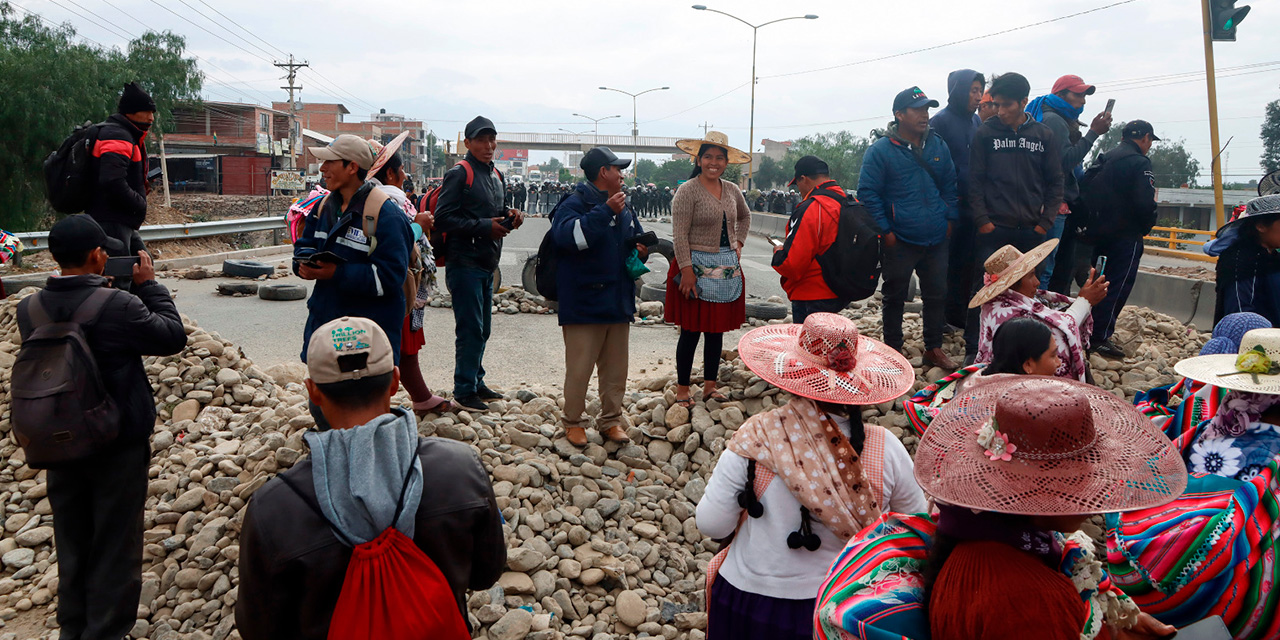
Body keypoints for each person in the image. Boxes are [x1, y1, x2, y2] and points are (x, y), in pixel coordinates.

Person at [817, 376, 1184, 640]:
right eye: (1081, 478)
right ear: (1042, 494)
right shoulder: (1026, 599)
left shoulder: (992, 539)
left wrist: (1122, 625)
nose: (1094, 494)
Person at [236, 317, 505, 639]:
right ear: (395, 381)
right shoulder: (461, 467)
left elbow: (260, 629)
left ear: (314, 392)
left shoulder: (274, 507)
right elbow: (484, 574)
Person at [698, 313, 927, 640]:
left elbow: (712, 524)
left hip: (746, 599)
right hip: (840, 611)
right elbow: (912, 531)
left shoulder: (758, 437)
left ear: (794, 370)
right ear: (858, 380)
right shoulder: (884, 448)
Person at [17, 215, 185, 640]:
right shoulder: (118, 305)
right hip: (116, 443)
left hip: (58, 442)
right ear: (97, 256)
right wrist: (149, 285)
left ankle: (73, 628)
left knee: (72, 540)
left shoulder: (29, 309)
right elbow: (171, 337)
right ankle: (106, 632)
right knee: (115, 543)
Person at [293, 134, 412, 406]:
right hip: (327, 322)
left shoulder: (386, 214)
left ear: (352, 167)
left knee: (364, 410)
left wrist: (336, 273)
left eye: (329, 162)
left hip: (369, 334)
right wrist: (304, 266)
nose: (322, 169)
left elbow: (391, 277)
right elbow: (304, 245)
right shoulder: (323, 207)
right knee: (324, 407)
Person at [964, 72, 1064, 365]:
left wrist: (1044, 223)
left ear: (1024, 102)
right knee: (984, 290)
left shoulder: (1043, 135)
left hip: (1032, 232)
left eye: (1007, 105)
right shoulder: (986, 133)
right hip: (994, 229)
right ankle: (976, 348)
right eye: (996, 104)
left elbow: (1055, 182)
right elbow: (975, 182)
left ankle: (1028, 351)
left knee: (1030, 290)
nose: (1000, 111)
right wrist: (983, 220)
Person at [859, 86, 960, 370]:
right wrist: (886, 231)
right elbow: (868, 194)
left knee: (936, 293)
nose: (924, 115)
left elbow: (951, 185)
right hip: (899, 238)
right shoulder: (880, 151)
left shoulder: (938, 145)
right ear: (899, 114)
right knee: (895, 294)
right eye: (917, 109)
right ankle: (892, 347)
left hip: (937, 235)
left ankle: (933, 348)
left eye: (927, 109)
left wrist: (949, 220)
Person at [551, 147, 646, 446]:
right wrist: (606, 211)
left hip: (617, 301)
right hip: (584, 303)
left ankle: (610, 420)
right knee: (579, 368)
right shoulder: (574, 203)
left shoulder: (622, 205)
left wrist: (640, 246)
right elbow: (570, 238)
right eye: (617, 169)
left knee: (616, 369)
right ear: (603, 172)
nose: (622, 174)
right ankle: (573, 421)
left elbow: (632, 235)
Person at [434, 116, 524, 411]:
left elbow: (495, 212)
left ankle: (476, 380)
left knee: (483, 327)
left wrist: (511, 217)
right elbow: (444, 218)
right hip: (464, 263)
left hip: (487, 263)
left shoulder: (496, 175)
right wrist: (485, 226)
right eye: (482, 140)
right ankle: (463, 390)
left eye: (492, 139)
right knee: (470, 328)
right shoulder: (460, 174)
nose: (488, 145)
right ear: (468, 143)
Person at [666, 132, 751, 407]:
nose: (713, 163)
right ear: (699, 160)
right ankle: (682, 389)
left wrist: (738, 241)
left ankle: (710, 387)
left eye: (719, 158)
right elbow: (679, 234)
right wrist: (687, 271)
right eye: (708, 157)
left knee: (716, 331)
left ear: (726, 162)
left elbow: (745, 215)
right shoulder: (687, 191)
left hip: (725, 268)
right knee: (691, 330)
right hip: (694, 268)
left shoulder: (732, 190)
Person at [368, 141, 451, 414]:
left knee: (401, 341)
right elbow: (398, 242)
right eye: (401, 170)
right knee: (400, 342)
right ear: (390, 174)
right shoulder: (388, 201)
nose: (405, 176)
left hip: (393, 280)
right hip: (398, 281)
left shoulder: (376, 198)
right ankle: (410, 400)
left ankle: (418, 396)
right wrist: (418, 225)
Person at [969, 241, 1109, 381]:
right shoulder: (1009, 313)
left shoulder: (996, 305)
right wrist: (1084, 302)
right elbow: (1055, 332)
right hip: (1020, 385)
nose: (1037, 282)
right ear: (1012, 284)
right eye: (1030, 276)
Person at [1026, 75, 1113, 287]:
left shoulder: (1051, 116)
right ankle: (1039, 314)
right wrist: (1093, 134)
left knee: (1043, 266)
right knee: (1044, 269)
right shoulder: (1054, 121)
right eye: (1078, 94)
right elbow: (1064, 162)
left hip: (1044, 202)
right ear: (1061, 95)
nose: (1082, 101)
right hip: (1052, 205)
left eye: (1084, 95)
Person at [1083, 120, 1160, 359]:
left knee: (1096, 283)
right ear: (1145, 138)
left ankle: (1086, 330)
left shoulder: (1105, 157)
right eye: (1149, 141)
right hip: (1125, 235)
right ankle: (1100, 337)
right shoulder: (1139, 162)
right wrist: (1145, 226)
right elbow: (1144, 202)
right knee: (1116, 285)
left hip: (1098, 234)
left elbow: (1084, 187)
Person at [931, 69, 986, 332]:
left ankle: (957, 313)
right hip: (947, 207)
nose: (978, 96)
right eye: (973, 90)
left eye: (980, 90)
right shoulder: (940, 122)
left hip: (972, 206)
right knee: (944, 265)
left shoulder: (976, 122)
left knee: (967, 263)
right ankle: (937, 318)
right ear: (958, 91)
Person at [87, 82, 156, 273]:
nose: (151, 118)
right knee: (121, 275)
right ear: (131, 112)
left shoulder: (125, 134)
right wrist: (139, 203)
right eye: (147, 112)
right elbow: (112, 180)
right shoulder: (118, 136)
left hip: (122, 220)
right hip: (111, 221)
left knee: (144, 266)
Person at [771, 156, 848, 322]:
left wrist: (778, 253)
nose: (798, 189)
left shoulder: (812, 208)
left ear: (803, 179)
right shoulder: (849, 203)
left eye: (797, 184)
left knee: (809, 347)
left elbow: (792, 264)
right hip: (841, 291)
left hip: (812, 295)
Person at [1209, 194, 1280, 326]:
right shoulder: (1240, 260)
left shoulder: (1273, 258)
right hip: (1254, 343)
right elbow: (1239, 313)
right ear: (1261, 226)